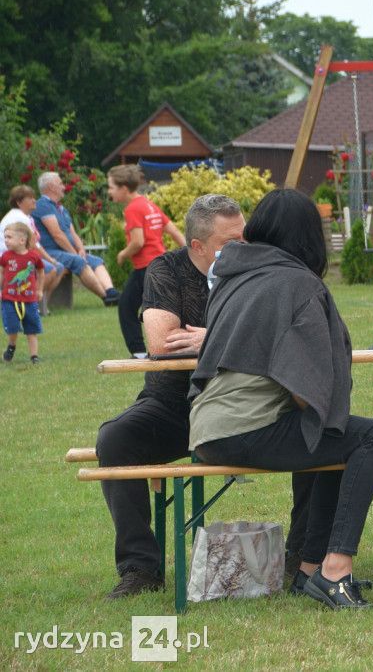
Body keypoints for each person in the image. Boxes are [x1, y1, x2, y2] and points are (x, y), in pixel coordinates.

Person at [189, 188, 373, 610]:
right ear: (309, 237)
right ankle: (335, 570)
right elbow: (308, 387)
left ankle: (308, 570)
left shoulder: (234, 277)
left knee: (335, 435)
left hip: (205, 427)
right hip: (245, 430)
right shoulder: (298, 283)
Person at [95, 194, 246, 598]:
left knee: (318, 424)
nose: (242, 248)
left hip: (238, 404)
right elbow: (163, 344)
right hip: (171, 405)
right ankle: (141, 568)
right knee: (115, 439)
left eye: (244, 237)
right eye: (229, 242)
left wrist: (209, 337)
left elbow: (273, 335)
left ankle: (302, 555)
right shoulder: (167, 269)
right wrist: (231, 338)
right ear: (197, 246)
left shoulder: (253, 268)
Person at [107, 165, 185, 358]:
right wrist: (188, 253)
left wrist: (122, 254)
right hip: (160, 265)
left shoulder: (132, 209)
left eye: (111, 187)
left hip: (146, 268)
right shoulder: (148, 204)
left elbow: (138, 242)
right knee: (160, 307)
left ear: (124, 188)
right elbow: (173, 230)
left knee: (126, 307)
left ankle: (139, 352)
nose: (109, 192)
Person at [31, 171, 119, 305]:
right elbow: (57, 235)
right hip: (49, 252)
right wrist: (74, 253)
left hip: (66, 251)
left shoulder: (61, 208)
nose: (63, 187)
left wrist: (81, 249)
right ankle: (107, 298)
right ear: (51, 187)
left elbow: (73, 233)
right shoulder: (42, 205)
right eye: (60, 183)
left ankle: (111, 292)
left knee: (96, 261)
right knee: (78, 260)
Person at [2, 185, 66, 313]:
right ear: (19, 202)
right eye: (30, 198)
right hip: (10, 258)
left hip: (19, 255)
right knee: (50, 269)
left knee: (59, 267)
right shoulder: (20, 218)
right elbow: (33, 246)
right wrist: (49, 261)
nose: (34, 200)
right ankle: (29, 305)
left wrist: (50, 259)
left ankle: (40, 306)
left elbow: (35, 244)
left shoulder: (26, 217)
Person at [2, 221, 44, 363]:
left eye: (9, 237)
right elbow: (1, 273)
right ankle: (11, 346)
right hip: (9, 299)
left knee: (31, 329)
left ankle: (34, 356)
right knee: (12, 327)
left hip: (29, 300)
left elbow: (41, 272)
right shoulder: (5, 257)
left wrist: (40, 289)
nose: (6, 240)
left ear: (21, 240)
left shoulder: (34, 257)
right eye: (5, 237)